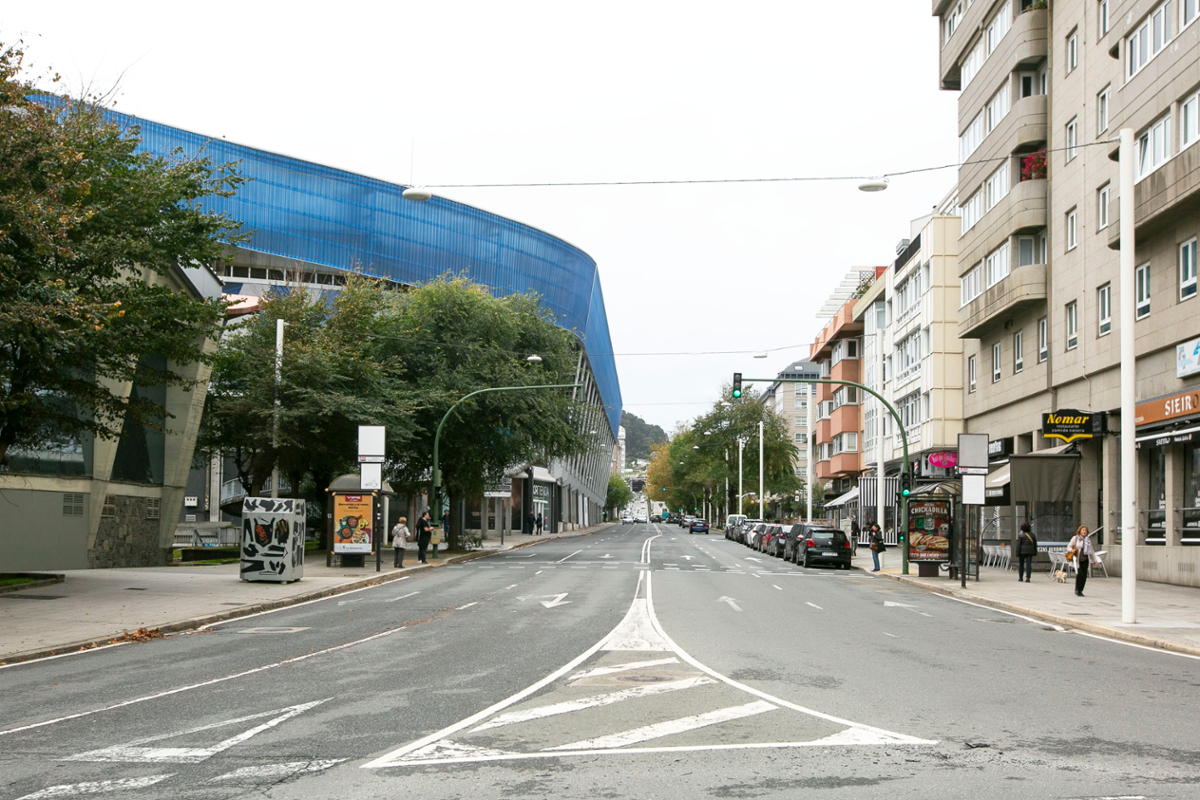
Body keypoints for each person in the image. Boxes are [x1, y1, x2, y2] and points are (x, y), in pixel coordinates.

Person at [1068, 524, 1099, 597]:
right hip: (1078, 559)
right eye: (1083, 530)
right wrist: (1071, 550)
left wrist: (1095, 561)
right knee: (1080, 574)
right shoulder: (1075, 538)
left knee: (1084, 575)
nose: (1084, 531)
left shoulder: (1088, 540)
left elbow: (1091, 551)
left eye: (1085, 530)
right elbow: (1069, 546)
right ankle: (1077, 589)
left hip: (1085, 559)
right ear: (1080, 531)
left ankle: (1081, 590)